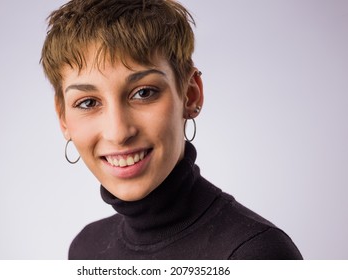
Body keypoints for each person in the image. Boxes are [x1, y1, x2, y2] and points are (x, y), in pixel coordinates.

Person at [41, 0, 302, 259]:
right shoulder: (86, 248)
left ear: (190, 95)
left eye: (143, 93)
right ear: (63, 117)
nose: (118, 132)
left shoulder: (255, 254)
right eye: (87, 102)